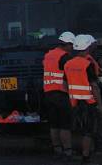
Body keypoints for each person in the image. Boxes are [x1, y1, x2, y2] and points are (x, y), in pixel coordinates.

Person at [65, 34, 102, 164]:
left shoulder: (68, 64)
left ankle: (77, 152)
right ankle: (86, 157)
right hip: (88, 103)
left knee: (78, 129)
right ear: (87, 47)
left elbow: (64, 84)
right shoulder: (87, 64)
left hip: (74, 102)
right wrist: (100, 105)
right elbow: (94, 86)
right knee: (88, 131)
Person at [43, 31, 75, 160]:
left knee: (54, 125)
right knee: (65, 125)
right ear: (66, 44)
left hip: (48, 94)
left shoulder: (48, 55)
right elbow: (69, 76)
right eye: (72, 45)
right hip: (61, 94)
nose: (73, 48)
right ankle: (68, 152)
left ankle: (57, 150)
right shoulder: (65, 57)